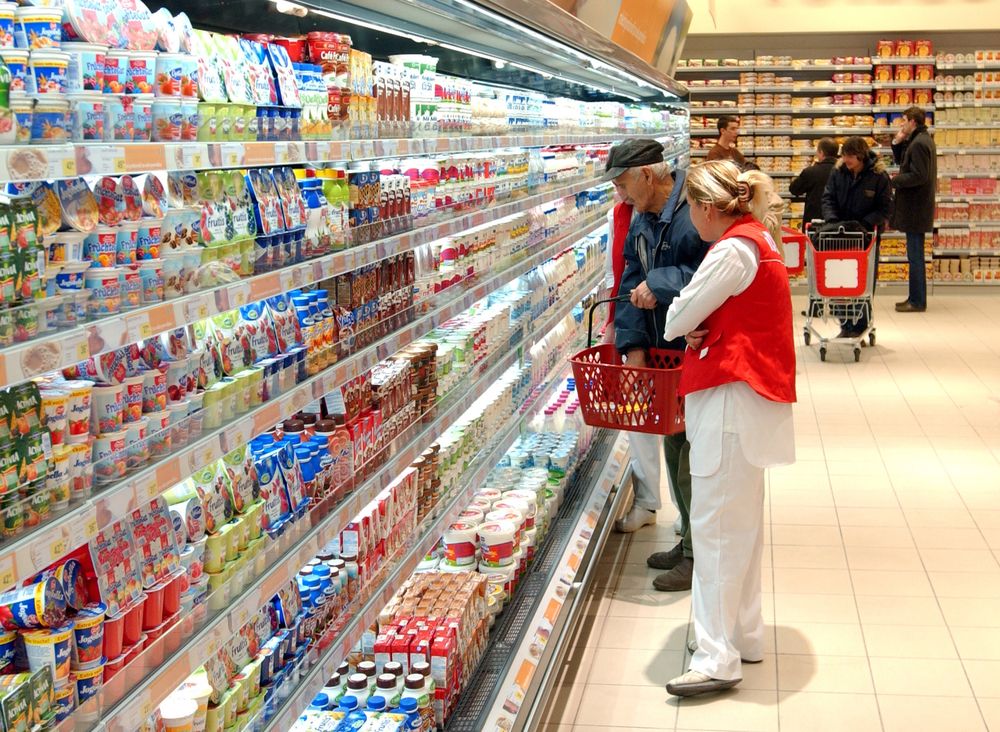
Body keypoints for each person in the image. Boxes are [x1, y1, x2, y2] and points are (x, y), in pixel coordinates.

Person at [661, 160, 796, 697]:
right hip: (752, 399)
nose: (689, 219)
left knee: (716, 529)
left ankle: (717, 657)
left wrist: (690, 322)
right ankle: (745, 633)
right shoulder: (759, 238)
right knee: (741, 526)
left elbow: (676, 319)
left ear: (707, 207)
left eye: (689, 207)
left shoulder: (731, 251)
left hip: (729, 402)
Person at [604, 138, 712, 592]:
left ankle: (697, 554)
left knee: (692, 453)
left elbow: (713, 272)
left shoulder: (695, 209)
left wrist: (660, 282)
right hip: (663, 346)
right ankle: (687, 534)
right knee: (672, 440)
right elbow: (631, 275)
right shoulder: (644, 216)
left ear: (648, 174)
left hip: (700, 346)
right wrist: (632, 346)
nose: (620, 195)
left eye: (623, 183)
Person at [602, 197, 679, 538]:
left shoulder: (673, 210)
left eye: (623, 182)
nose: (619, 191)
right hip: (633, 319)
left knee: (678, 419)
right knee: (638, 413)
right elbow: (614, 270)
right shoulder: (617, 214)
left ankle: (684, 509)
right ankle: (647, 503)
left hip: (673, 322)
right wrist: (611, 323)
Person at [821, 136, 893, 338]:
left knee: (863, 282)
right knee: (839, 280)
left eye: (850, 156)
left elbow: (885, 209)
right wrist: (833, 220)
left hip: (865, 237)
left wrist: (866, 224)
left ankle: (860, 324)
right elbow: (828, 198)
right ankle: (846, 324)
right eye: (844, 155)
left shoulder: (879, 176)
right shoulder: (838, 172)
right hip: (840, 235)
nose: (846, 160)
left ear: (860, 156)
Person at [890, 106, 936, 313]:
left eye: (904, 120)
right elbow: (903, 162)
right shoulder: (920, 140)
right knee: (914, 254)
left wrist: (895, 180)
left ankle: (917, 301)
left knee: (915, 255)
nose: (901, 124)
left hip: (916, 207)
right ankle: (914, 297)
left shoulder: (919, 143)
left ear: (913, 122)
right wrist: (896, 142)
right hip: (918, 205)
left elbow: (919, 175)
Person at [790, 137, 839, 226]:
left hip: (814, 223)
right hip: (837, 222)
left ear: (821, 152)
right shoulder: (844, 171)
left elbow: (794, 189)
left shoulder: (811, 172)